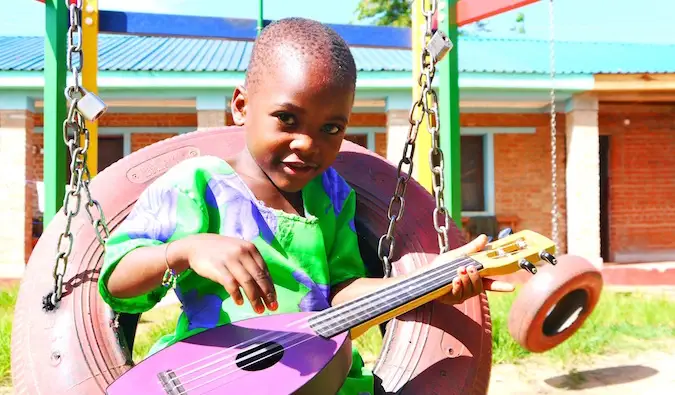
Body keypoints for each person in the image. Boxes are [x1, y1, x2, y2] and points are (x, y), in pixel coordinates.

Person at [99, 17, 514, 395]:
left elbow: (341, 292)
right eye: (287, 119)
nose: (307, 144)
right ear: (242, 106)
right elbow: (118, 285)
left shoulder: (332, 196)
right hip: (215, 378)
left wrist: (429, 285)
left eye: (331, 128)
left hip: (320, 379)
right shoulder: (198, 184)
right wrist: (185, 250)